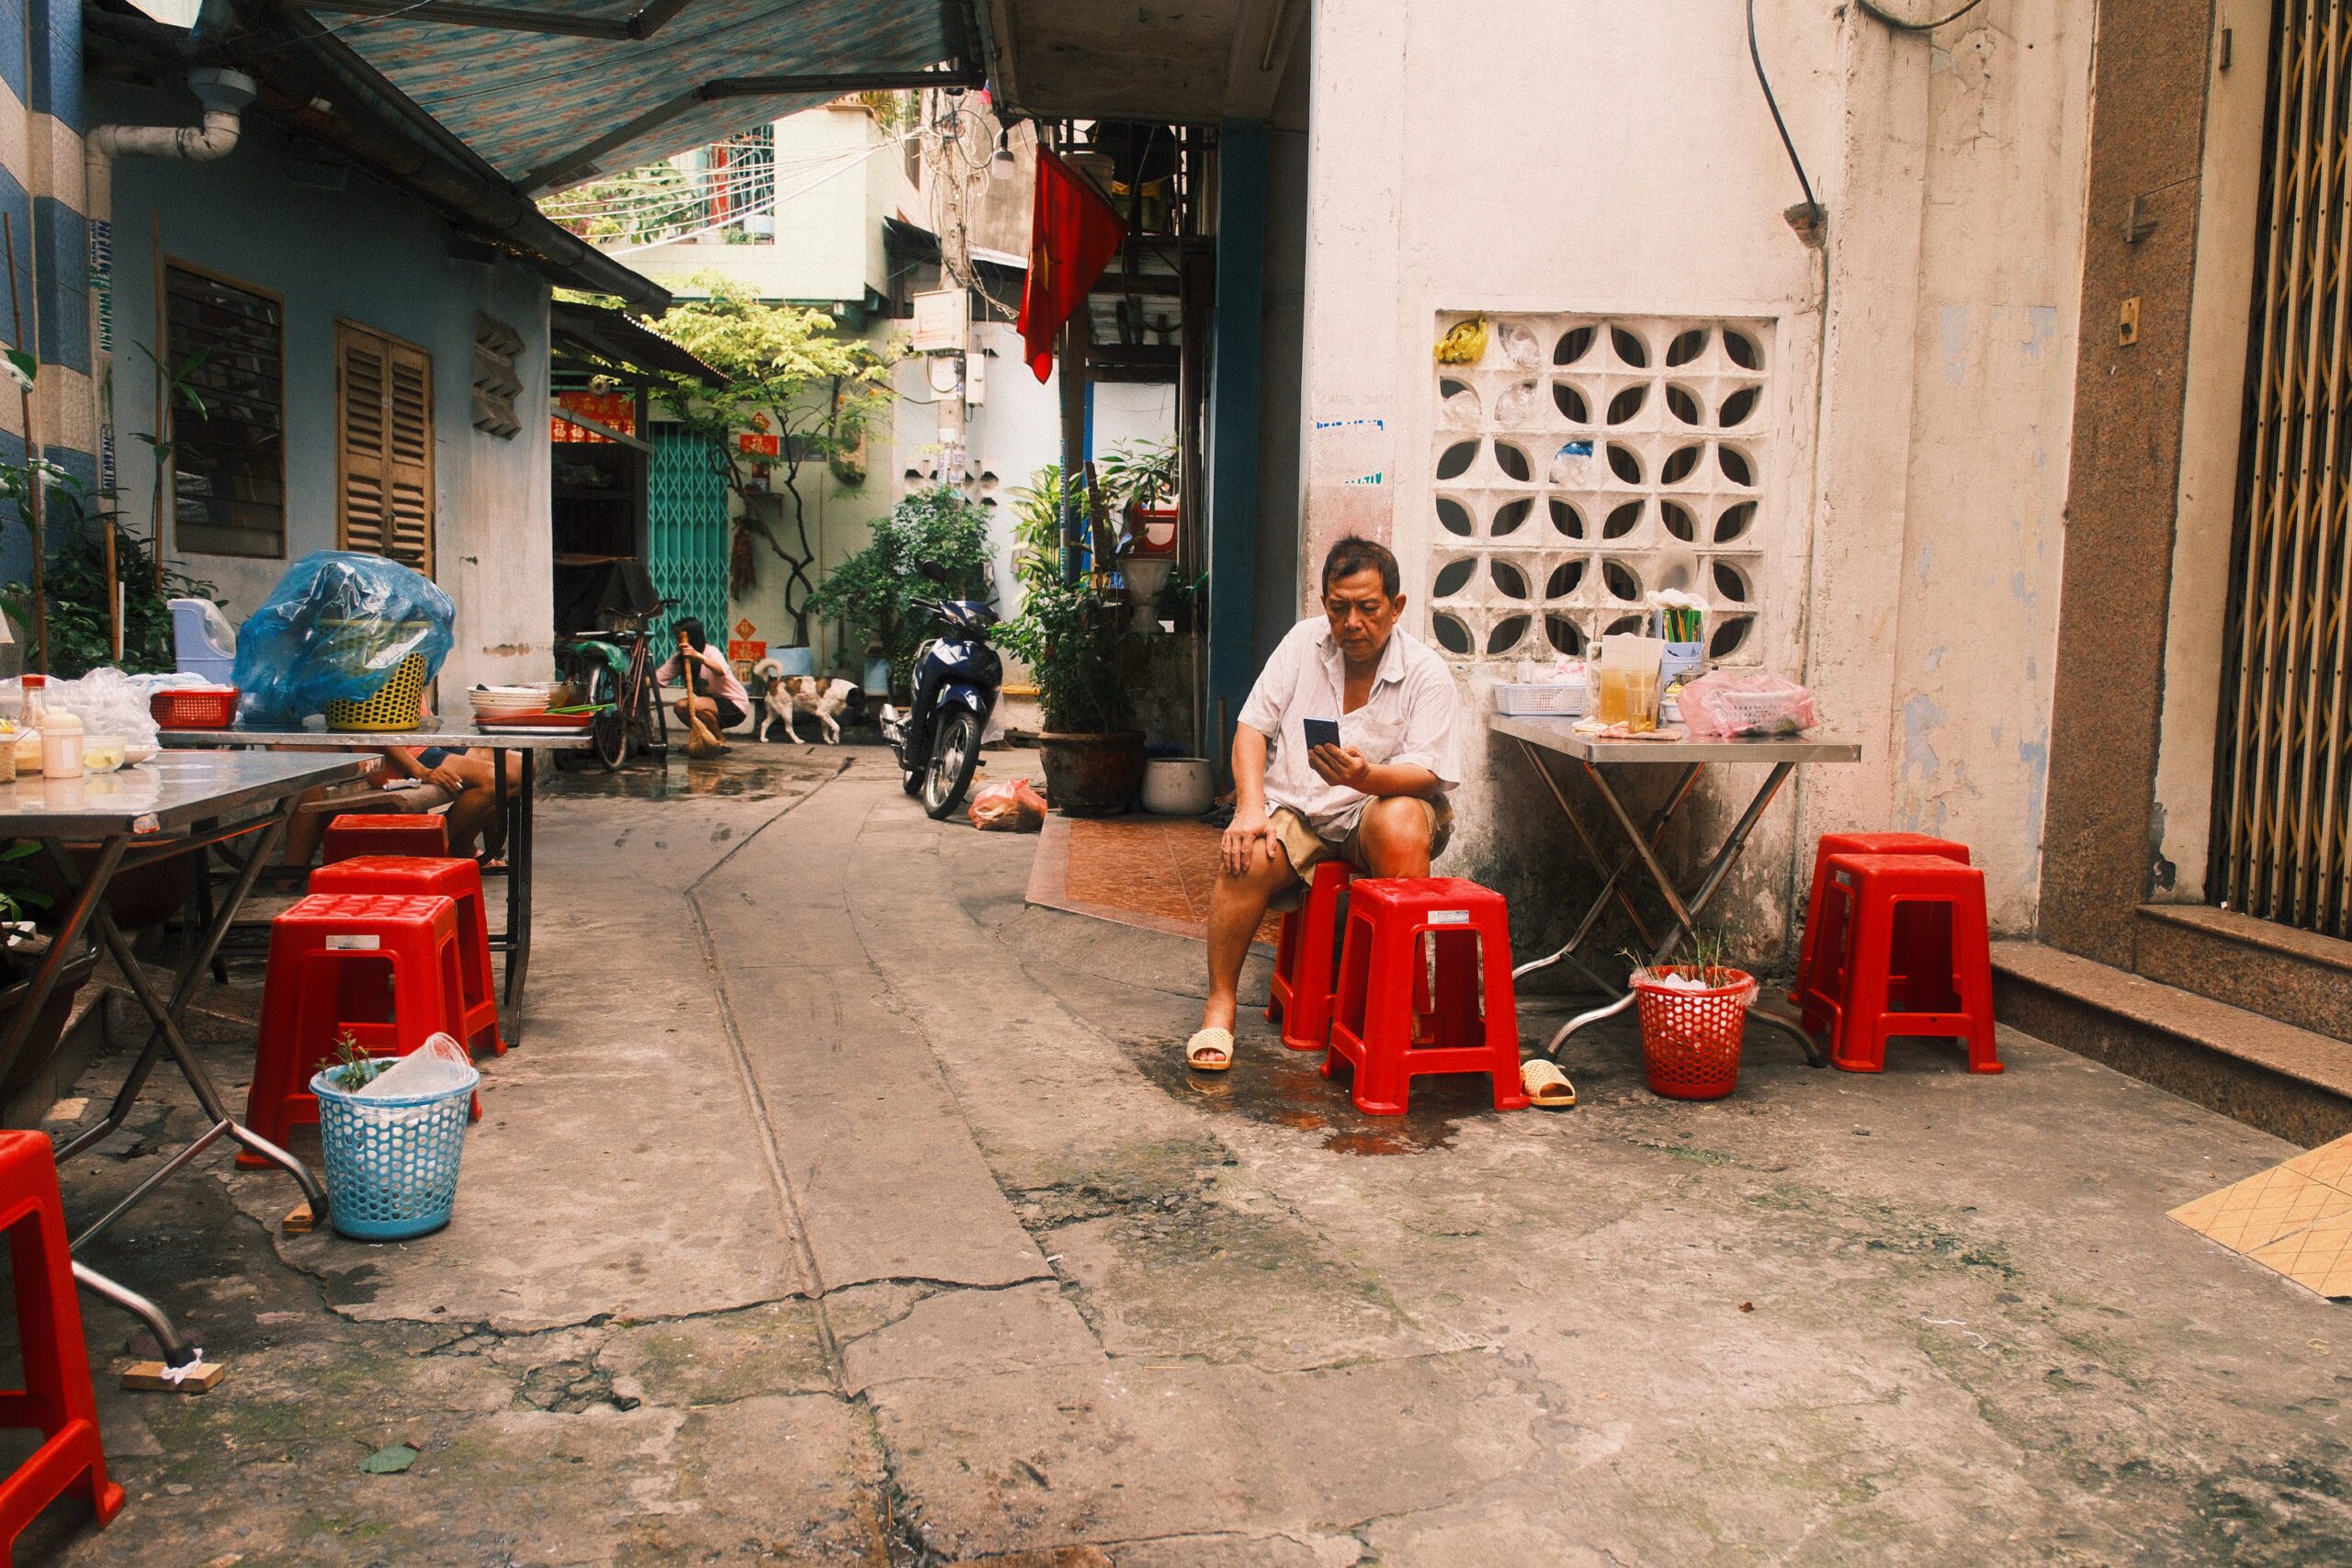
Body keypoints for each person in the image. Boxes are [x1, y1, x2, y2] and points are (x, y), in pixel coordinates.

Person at [1184, 536, 1462, 1072]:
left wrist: (1368, 776)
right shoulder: (1302, 644)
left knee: (1400, 819)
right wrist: (1249, 808)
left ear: (1397, 607)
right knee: (1247, 855)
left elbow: (1429, 774)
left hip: (1380, 807)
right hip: (1303, 810)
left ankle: (1397, 1007)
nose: (1351, 622)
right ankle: (1219, 1003)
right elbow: (1250, 729)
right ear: (1324, 604)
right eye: (1339, 608)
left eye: (1367, 608)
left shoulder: (1426, 672)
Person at [657, 616, 749, 739]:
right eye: (677, 639)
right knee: (680, 707)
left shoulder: (711, 651)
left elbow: (721, 670)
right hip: (709, 705)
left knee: (690, 705)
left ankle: (719, 740)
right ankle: (706, 738)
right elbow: (656, 679)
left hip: (735, 705)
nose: (677, 643)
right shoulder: (680, 659)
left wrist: (697, 656)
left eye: (680, 639)